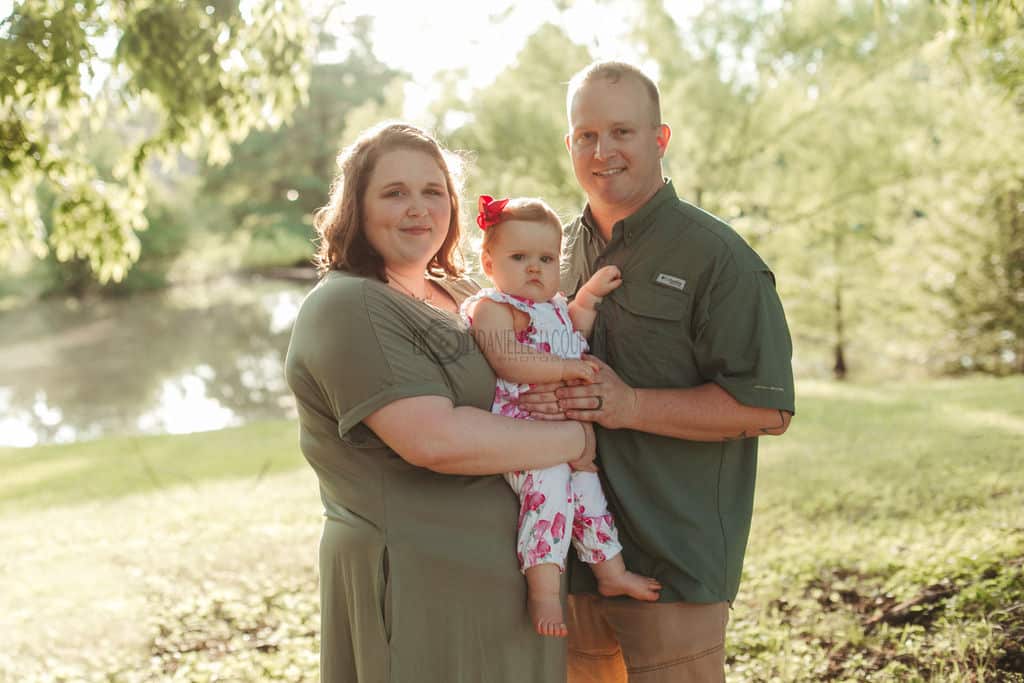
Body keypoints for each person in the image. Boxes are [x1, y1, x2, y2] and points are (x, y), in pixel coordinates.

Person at [284, 122, 597, 682]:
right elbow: (436, 439)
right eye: (394, 192)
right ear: (355, 206)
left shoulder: (456, 294)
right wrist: (577, 440)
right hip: (419, 588)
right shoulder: (349, 306)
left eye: (433, 192)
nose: (418, 209)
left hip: (507, 589)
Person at [518, 61, 796, 682]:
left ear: (659, 138)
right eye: (586, 135)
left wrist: (629, 406)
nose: (602, 150)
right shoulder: (546, 255)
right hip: (569, 563)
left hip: (673, 563)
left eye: (622, 131)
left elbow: (767, 408)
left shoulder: (719, 258)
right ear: (569, 145)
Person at [460, 195, 662, 639]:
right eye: (519, 257)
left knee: (589, 494)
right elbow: (509, 359)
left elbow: (573, 328)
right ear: (489, 263)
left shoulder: (551, 305)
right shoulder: (493, 307)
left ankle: (611, 570)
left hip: (566, 435)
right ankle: (544, 593)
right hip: (524, 436)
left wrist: (586, 297)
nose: (534, 268)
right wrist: (569, 369)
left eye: (546, 258)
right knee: (549, 494)